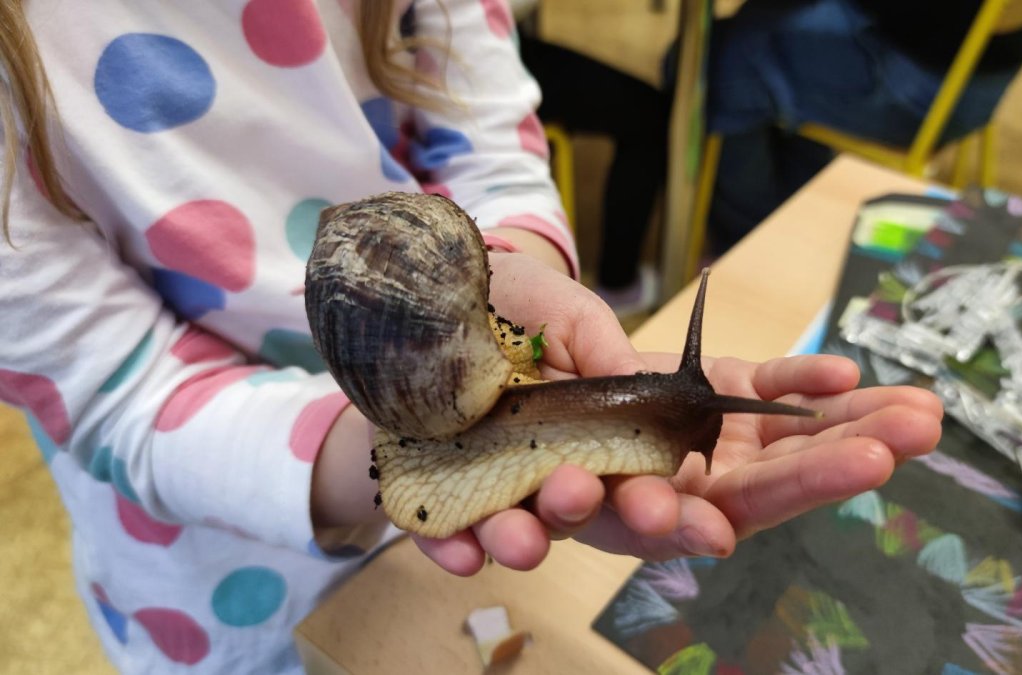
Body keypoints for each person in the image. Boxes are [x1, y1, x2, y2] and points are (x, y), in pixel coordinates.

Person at [0, 0, 941, 672]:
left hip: (441, 544)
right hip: (208, 585)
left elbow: (490, 138)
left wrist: (521, 272)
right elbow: (118, 391)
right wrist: (365, 443)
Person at [702, 0, 1022, 254]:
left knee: (723, 59)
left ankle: (748, 237)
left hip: (924, 89)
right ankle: (790, 204)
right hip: (981, 74)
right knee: (762, 31)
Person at [514, 5, 670, 315]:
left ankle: (614, 285)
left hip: (485, 55)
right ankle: (619, 283)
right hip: (472, 68)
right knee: (650, 115)